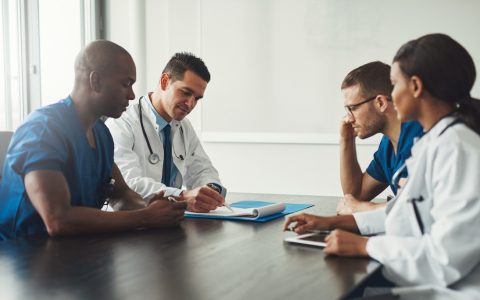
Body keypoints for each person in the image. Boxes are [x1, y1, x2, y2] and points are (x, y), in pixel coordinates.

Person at [285, 33, 480, 298]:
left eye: (394, 84)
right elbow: (405, 215)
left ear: (415, 86)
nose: (390, 95)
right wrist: (329, 222)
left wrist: (365, 247)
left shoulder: (457, 149)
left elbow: (445, 259)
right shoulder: (436, 142)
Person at [0, 40, 187, 241]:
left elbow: (121, 195)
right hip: (23, 259)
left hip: (75, 254)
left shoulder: (101, 134)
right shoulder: (42, 129)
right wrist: (145, 217)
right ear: (95, 81)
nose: (132, 95)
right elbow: (58, 219)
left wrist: (150, 206)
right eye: (126, 84)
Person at [106, 52, 225, 213]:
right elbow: (129, 184)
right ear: (164, 82)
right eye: (185, 92)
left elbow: (202, 168)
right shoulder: (122, 123)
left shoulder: (184, 126)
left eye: (197, 98)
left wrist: (210, 190)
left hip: (169, 221)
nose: (190, 104)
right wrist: (182, 196)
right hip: (130, 224)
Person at [337, 62, 423, 215]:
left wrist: (366, 208)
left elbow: (421, 208)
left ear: (381, 102)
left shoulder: (421, 137)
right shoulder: (388, 145)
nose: (349, 118)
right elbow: (355, 196)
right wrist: (346, 141)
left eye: (353, 108)